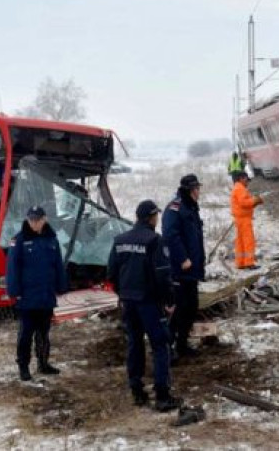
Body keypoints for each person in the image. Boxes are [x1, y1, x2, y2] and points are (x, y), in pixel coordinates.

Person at [107, 200, 182, 412]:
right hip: (149, 302)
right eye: (156, 215)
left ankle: (137, 390)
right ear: (151, 217)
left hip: (128, 302)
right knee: (160, 345)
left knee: (135, 343)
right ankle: (162, 395)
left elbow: (111, 273)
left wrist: (123, 293)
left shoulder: (120, 240)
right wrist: (169, 301)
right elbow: (162, 274)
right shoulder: (154, 240)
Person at [6, 206, 69, 381]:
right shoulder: (18, 240)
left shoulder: (51, 239)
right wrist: (14, 292)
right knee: (25, 334)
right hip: (27, 297)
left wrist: (62, 286)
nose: (34, 222)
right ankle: (23, 367)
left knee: (43, 332)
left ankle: (43, 363)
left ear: (44, 219)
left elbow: (57, 265)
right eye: (31, 219)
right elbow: (12, 269)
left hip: (46, 295)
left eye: (37, 219)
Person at [162, 174, 206, 361]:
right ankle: (167, 347)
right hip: (180, 269)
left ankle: (182, 344)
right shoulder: (175, 208)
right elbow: (170, 236)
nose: (199, 192)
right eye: (196, 189)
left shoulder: (190, 207)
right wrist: (182, 259)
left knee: (191, 307)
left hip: (192, 270)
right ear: (189, 190)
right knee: (178, 309)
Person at [230, 171, 263, 269]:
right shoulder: (240, 188)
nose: (247, 182)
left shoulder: (237, 188)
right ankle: (249, 263)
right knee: (248, 240)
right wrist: (255, 200)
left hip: (240, 219)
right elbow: (244, 203)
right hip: (244, 220)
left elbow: (243, 204)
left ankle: (240, 263)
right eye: (246, 179)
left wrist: (254, 203)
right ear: (241, 178)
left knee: (240, 242)